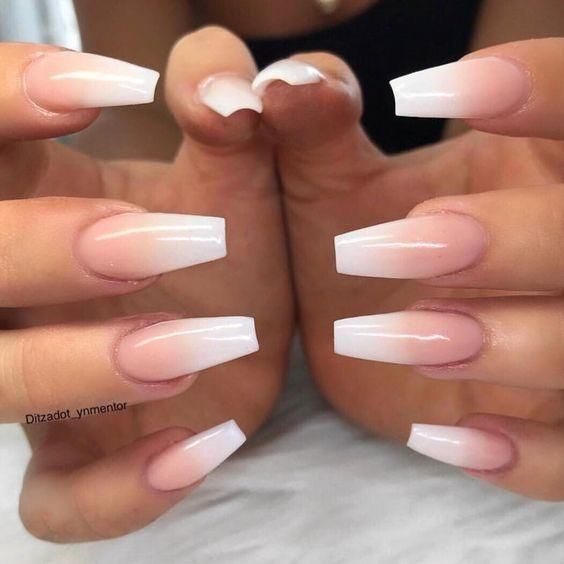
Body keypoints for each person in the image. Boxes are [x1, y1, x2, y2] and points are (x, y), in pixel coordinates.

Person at [0, 0, 563, 543]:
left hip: (449, 298)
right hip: (217, 316)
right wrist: (121, 220)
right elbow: (140, 118)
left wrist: (519, 242)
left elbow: (503, 137)